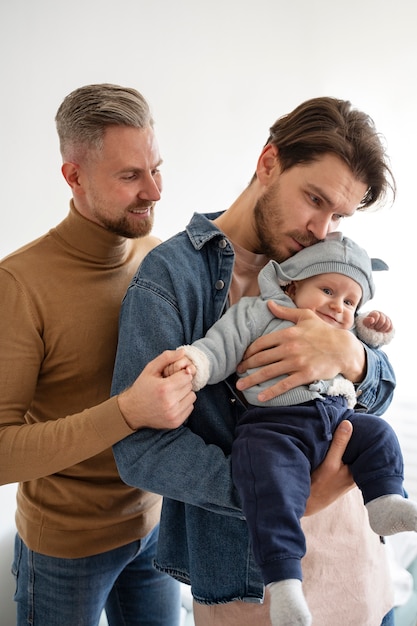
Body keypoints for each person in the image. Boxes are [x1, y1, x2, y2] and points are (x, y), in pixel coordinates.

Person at [111, 97, 397, 625]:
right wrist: (281, 496)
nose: (321, 228)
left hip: (360, 563)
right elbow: (140, 451)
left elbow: (378, 392)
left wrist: (350, 355)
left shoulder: (325, 267)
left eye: (338, 215)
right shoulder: (171, 279)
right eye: (315, 198)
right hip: (249, 586)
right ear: (269, 163)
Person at [0, 83, 196, 626]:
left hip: (156, 529)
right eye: (130, 175)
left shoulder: (161, 260)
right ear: (74, 176)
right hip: (64, 550)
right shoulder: (18, 285)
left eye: (156, 168)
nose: (154, 191)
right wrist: (128, 412)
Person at [166, 232, 417, 626]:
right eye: (328, 290)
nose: (338, 305)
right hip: (275, 428)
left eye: (350, 301)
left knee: (378, 434)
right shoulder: (259, 312)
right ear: (293, 283)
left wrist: (369, 335)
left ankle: (385, 502)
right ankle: (284, 583)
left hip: (337, 422)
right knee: (270, 484)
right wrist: (196, 363)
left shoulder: (341, 333)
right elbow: (221, 345)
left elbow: (376, 368)